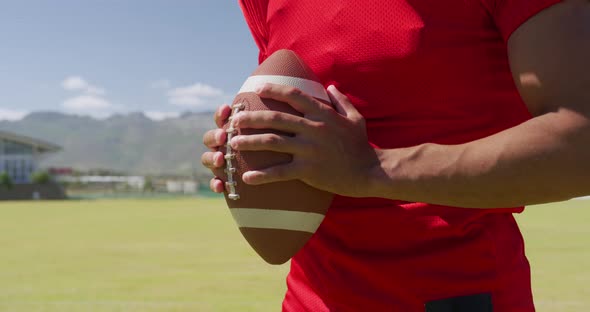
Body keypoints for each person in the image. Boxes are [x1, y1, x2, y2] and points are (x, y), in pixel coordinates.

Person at [202, 0, 590, 311]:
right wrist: (254, 149)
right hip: (309, 299)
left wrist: (375, 168)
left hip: (455, 296)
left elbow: (581, 140)